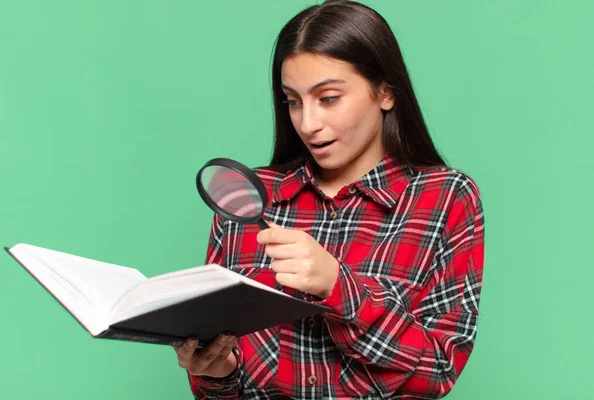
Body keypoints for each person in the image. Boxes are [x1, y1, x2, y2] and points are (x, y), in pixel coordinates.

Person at [173, 0, 485, 398]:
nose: (308, 123)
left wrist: (338, 285)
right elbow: (217, 387)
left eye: (329, 98)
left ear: (385, 91)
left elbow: (439, 371)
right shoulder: (248, 198)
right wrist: (216, 372)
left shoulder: (446, 198)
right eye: (293, 100)